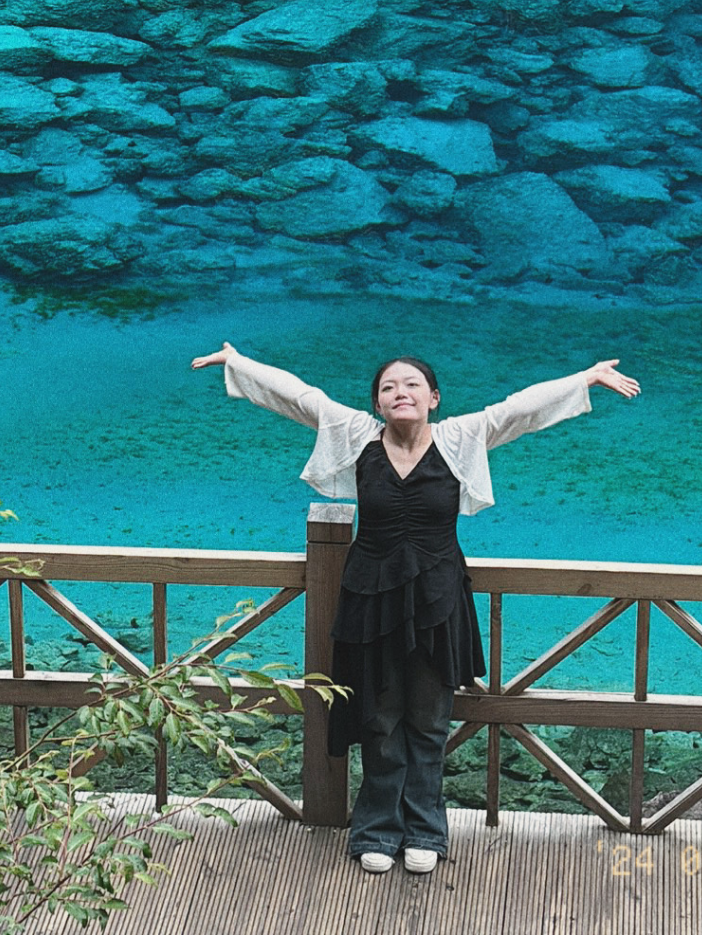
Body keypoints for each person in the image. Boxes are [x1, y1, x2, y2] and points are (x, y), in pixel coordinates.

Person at [191, 342, 640, 876]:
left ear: (433, 397)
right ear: (378, 404)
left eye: (411, 385)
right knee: (379, 718)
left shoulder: (459, 437)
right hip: (371, 597)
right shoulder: (358, 436)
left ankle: (425, 828)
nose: (399, 393)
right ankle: (376, 829)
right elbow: (299, 397)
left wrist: (584, 379)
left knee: (429, 720)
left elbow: (517, 409)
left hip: (438, 596)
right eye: (388, 387)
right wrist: (239, 363)